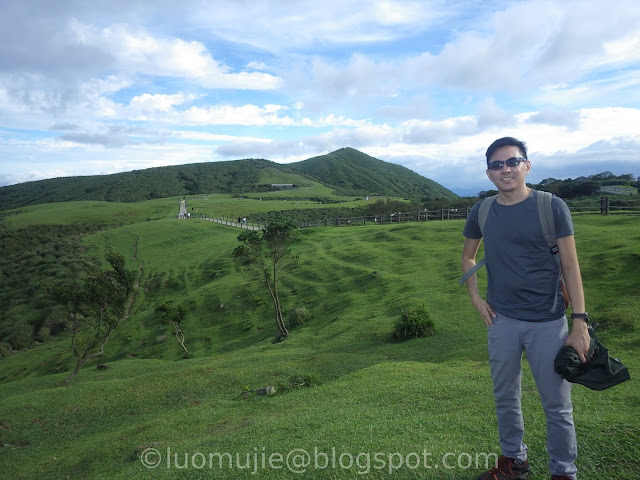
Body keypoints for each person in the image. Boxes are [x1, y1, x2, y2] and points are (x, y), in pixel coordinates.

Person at [461, 137, 590, 480]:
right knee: (505, 396)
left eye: (513, 162)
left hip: (548, 322)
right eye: (497, 165)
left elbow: (571, 265)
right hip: (501, 321)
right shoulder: (482, 211)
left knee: (557, 406)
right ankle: (514, 463)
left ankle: (564, 472)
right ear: (488, 173)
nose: (506, 169)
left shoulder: (551, 206)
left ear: (527, 166)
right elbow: (468, 255)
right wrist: (476, 298)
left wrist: (579, 322)